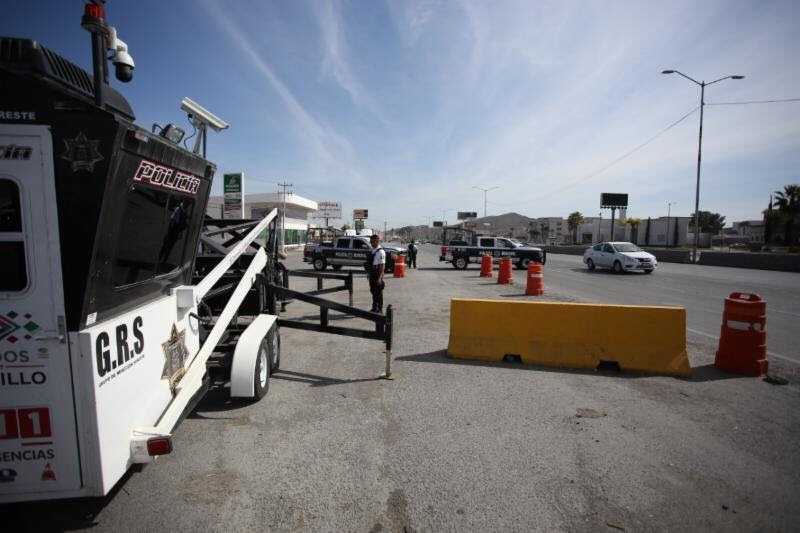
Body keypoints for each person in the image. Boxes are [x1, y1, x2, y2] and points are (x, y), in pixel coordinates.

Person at [368, 234, 386, 314]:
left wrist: (380, 278)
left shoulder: (381, 252)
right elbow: (371, 263)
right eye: (371, 242)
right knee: (373, 291)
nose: (371, 243)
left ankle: (380, 309)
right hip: (372, 272)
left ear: (377, 241)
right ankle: (374, 307)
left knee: (378, 292)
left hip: (377, 273)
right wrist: (369, 273)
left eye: (373, 242)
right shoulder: (373, 250)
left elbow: (382, 266)